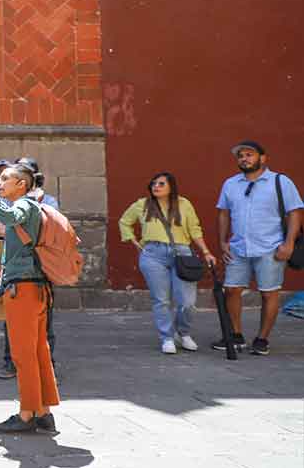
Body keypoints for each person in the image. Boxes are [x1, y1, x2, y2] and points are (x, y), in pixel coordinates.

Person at [0, 163, 60, 434]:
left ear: (22, 185)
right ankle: (43, 411)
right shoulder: (31, 208)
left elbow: (6, 216)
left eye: (6, 178)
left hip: (24, 291)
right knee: (39, 351)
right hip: (34, 287)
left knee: (23, 354)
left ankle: (27, 413)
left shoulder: (25, 205)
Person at [212, 141, 301, 356]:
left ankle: (262, 339)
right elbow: (223, 212)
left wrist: (289, 243)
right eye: (240, 156)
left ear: (263, 158)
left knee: (269, 294)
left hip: (271, 248)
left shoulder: (281, 182)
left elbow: (295, 212)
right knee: (231, 290)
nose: (244, 158)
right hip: (238, 248)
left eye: (249, 154)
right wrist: (223, 242)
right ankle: (235, 335)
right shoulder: (231, 184)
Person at [119, 172, 216, 354]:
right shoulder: (142, 205)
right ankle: (167, 337)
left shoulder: (183, 204)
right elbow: (124, 222)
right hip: (153, 255)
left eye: (161, 184)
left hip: (182, 253)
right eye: (154, 183)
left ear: (171, 186)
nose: (156, 186)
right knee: (161, 300)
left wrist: (206, 251)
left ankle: (183, 333)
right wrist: (134, 242)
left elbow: (194, 229)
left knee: (187, 301)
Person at [0, 158, 58, 378]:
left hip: (32, 274)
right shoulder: (16, 202)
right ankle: (13, 364)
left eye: (5, 178)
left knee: (37, 331)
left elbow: (16, 222)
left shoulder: (33, 203)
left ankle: (42, 373)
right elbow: (12, 239)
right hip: (21, 274)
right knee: (16, 328)